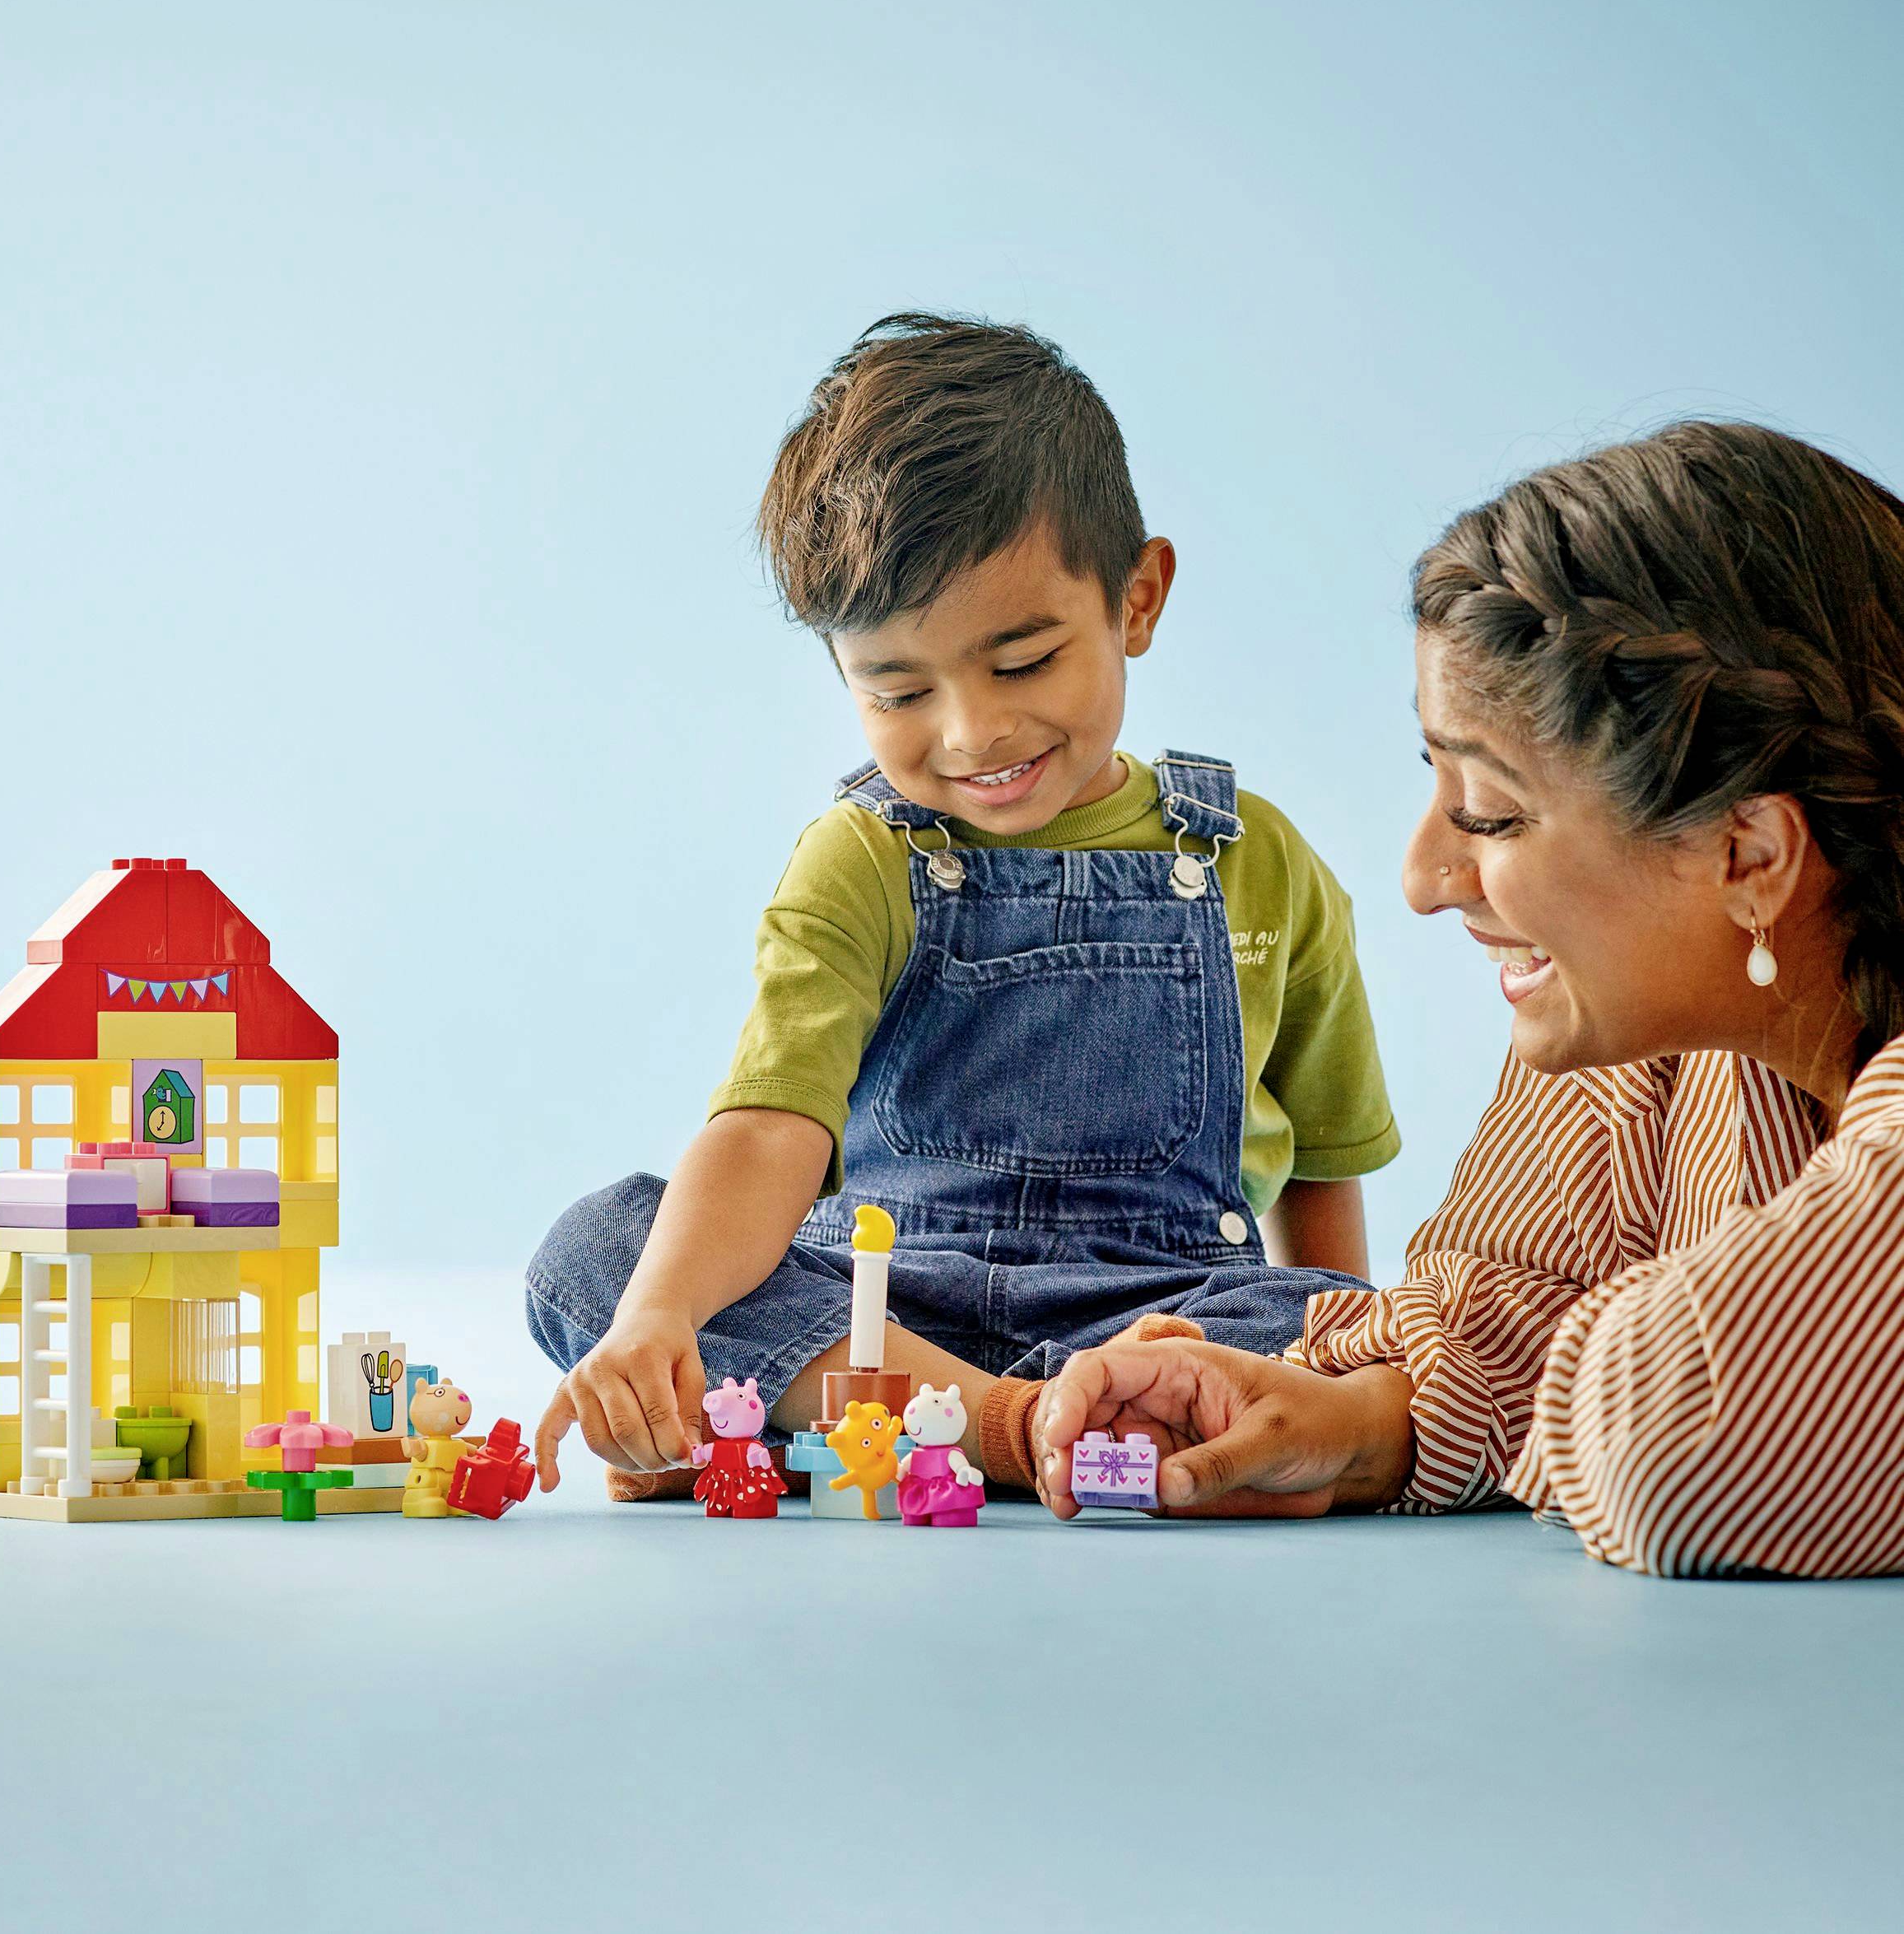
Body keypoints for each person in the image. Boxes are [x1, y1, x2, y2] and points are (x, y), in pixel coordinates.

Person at [525, 312, 1400, 1497]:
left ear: (1136, 599)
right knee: (601, 1252)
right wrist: (662, 1317)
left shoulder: (1259, 862)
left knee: (1368, 1330)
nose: (972, 732)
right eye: (898, 690)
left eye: (1024, 661)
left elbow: (1322, 1174)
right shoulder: (862, 858)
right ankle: (1009, 1427)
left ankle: (784, 1425)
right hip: (891, 1316)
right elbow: (769, 1130)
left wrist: (1334, 1358)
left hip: (1165, 1315)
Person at [1041, 420, 1904, 1578]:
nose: (1421, 880)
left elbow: (1669, 1433)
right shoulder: (1642, 1027)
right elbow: (1505, 1308)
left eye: (1490, 813)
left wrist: (1546, 1406)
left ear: (1749, 854)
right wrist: (1345, 1426)